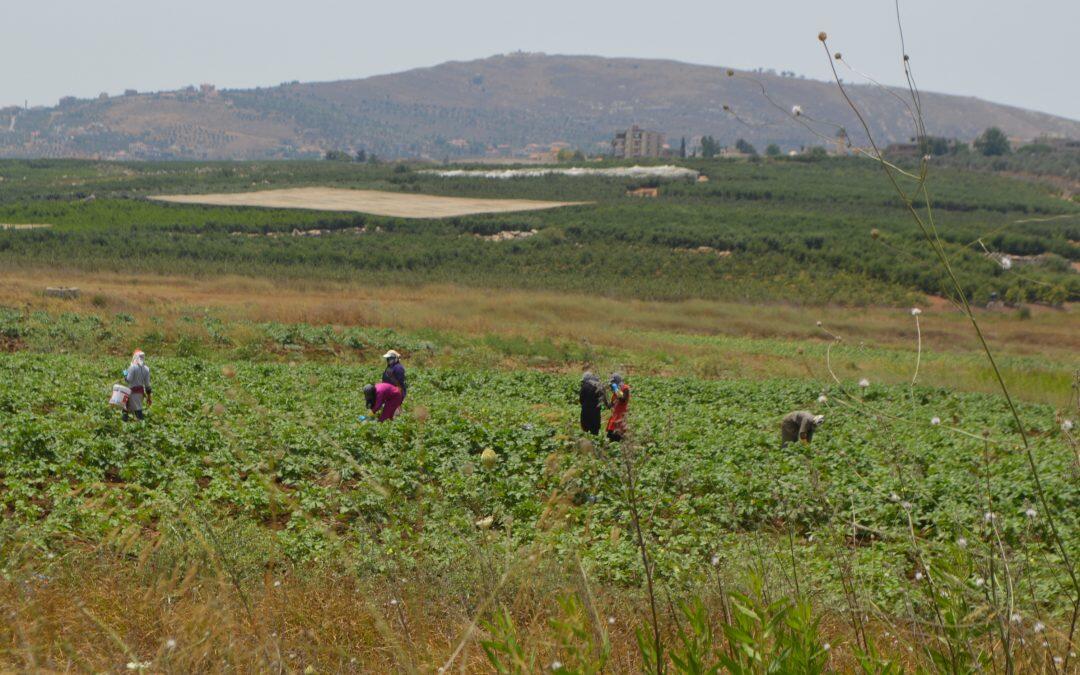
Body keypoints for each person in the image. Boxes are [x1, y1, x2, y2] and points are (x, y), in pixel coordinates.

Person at [122, 349, 151, 421]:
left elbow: (128, 380)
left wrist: (125, 374)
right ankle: (136, 425)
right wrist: (149, 397)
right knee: (136, 408)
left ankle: (128, 425)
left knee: (128, 409)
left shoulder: (133, 367)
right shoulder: (146, 369)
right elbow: (147, 385)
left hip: (132, 392)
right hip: (140, 393)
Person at [605, 373, 630, 441]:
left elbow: (623, 399)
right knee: (610, 438)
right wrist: (603, 396)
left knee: (616, 438)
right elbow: (609, 406)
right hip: (614, 419)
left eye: (613, 382)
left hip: (620, 419)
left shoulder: (625, 388)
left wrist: (616, 389)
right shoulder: (615, 393)